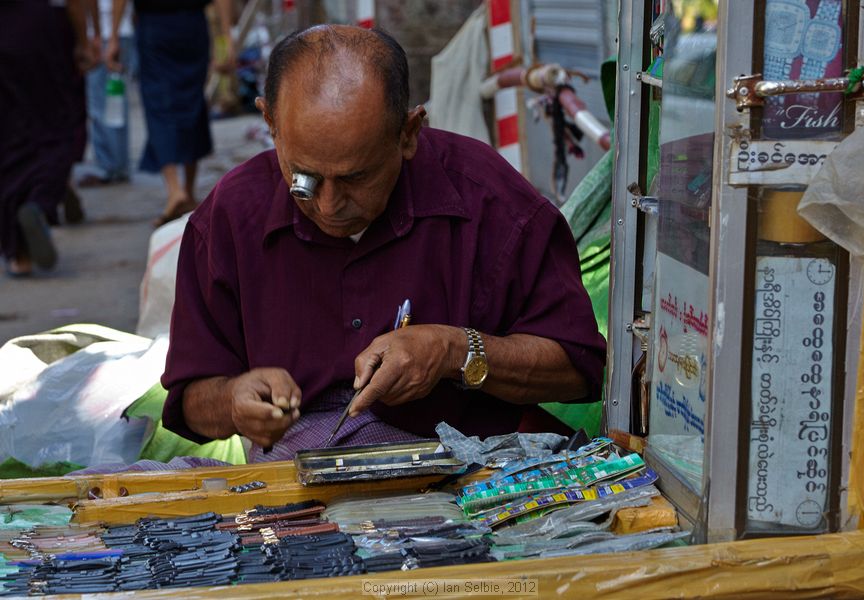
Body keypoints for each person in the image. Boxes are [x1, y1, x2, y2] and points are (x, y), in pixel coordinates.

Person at [161, 25, 606, 462]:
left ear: (408, 133)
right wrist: (234, 400)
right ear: (270, 123)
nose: (329, 205)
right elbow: (192, 399)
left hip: (467, 487)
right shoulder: (231, 215)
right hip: (297, 493)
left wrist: (454, 350)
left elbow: (577, 369)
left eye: (356, 177)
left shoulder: (491, 202)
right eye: (304, 177)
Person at [106, 0, 234, 227]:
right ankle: (188, 190)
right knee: (192, 101)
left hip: (154, 26)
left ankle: (175, 190)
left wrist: (114, 36)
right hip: (192, 25)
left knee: (159, 105)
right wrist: (226, 38)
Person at [0, 0, 96, 276]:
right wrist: (82, 40)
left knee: (8, 135)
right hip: (40, 30)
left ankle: (18, 253)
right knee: (58, 130)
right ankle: (39, 201)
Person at [79, 0, 135, 188]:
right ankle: (115, 164)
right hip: (111, 32)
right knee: (112, 101)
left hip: (106, 33)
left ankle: (109, 166)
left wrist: (111, 37)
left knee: (103, 104)